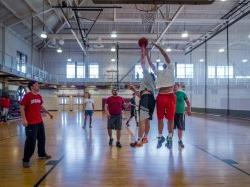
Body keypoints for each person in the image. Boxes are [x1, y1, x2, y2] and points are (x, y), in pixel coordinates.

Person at [147, 43, 176, 149]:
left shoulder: (171, 68)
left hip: (170, 96)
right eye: (163, 63)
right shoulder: (158, 72)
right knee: (159, 119)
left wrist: (158, 46)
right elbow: (151, 65)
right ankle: (160, 137)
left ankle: (169, 137)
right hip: (160, 96)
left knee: (170, 119)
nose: (164, 63)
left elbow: (166, 55)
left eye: (165, 62)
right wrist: (146, 55)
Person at [20, 81, 53, 168]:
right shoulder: (27, 96)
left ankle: (41, 154)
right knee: (31, 142)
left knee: (42, 139)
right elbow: (22, 107)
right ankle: (25, 160)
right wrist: (24, 119)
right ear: (31, 87)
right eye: (36, 85)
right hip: (30, 123)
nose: (38, 86)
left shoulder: (39, 96)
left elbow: (40, 106)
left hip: (39, 121)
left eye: (38, 85)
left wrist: (48, 113)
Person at [129, 47, 156, 148]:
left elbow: (142, 63)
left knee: (141, 121)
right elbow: (141, 94)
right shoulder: (151, 84)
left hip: (146, 99)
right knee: (147, 120)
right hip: (151, 99)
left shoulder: (147, 77)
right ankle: (145, 138)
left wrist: (143, 52)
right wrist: (134, 90)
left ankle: (139, 141)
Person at [174, 83, 191, 148]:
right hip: (172, 114)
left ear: (178, 87)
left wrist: (189, 110)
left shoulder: (182, 93)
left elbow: (188, 102)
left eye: (175, 86)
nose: (174, 88)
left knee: (180, 128)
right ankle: (170, 140)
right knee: (171, 128)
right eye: (173, 87)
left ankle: (180, 140)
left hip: (180, 113)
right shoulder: (171, 94)